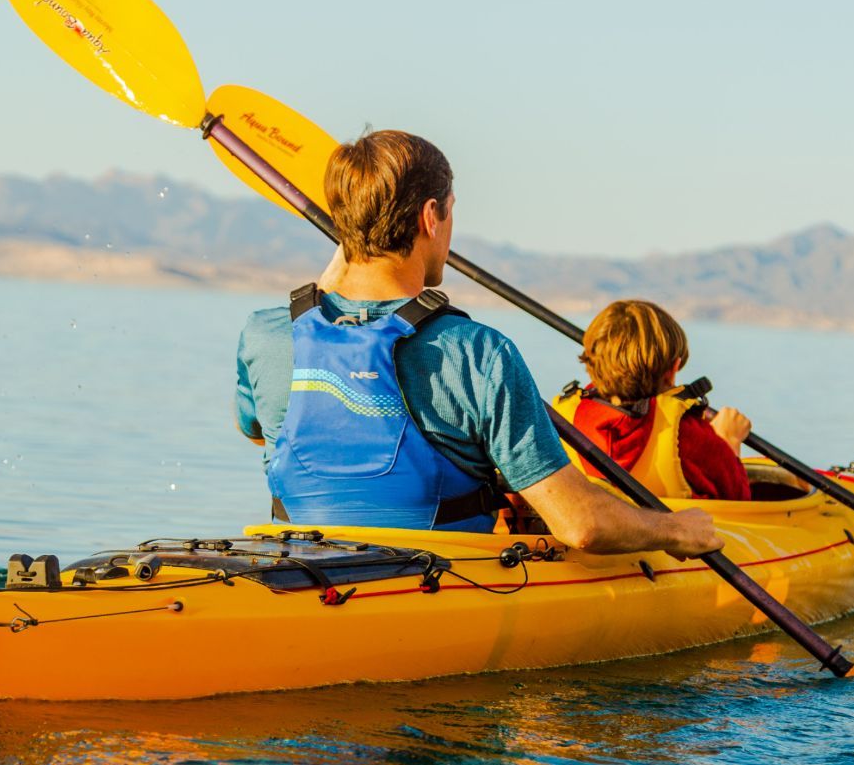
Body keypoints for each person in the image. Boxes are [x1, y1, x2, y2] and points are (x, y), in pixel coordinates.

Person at [235, 130, 723, 556]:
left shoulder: (267, 334)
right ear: (432, 216)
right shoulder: (478, 353)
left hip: (296, 572)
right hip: (435, 585)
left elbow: (262, 432)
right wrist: (676, 530)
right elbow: (581, 525)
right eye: (449, 214)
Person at [553, 300, 752, 501]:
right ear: (673, 369)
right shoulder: (687, 434)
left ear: (590, 364)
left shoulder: (560, 420)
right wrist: (729, 439)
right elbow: (738, 498)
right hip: (670, 531)